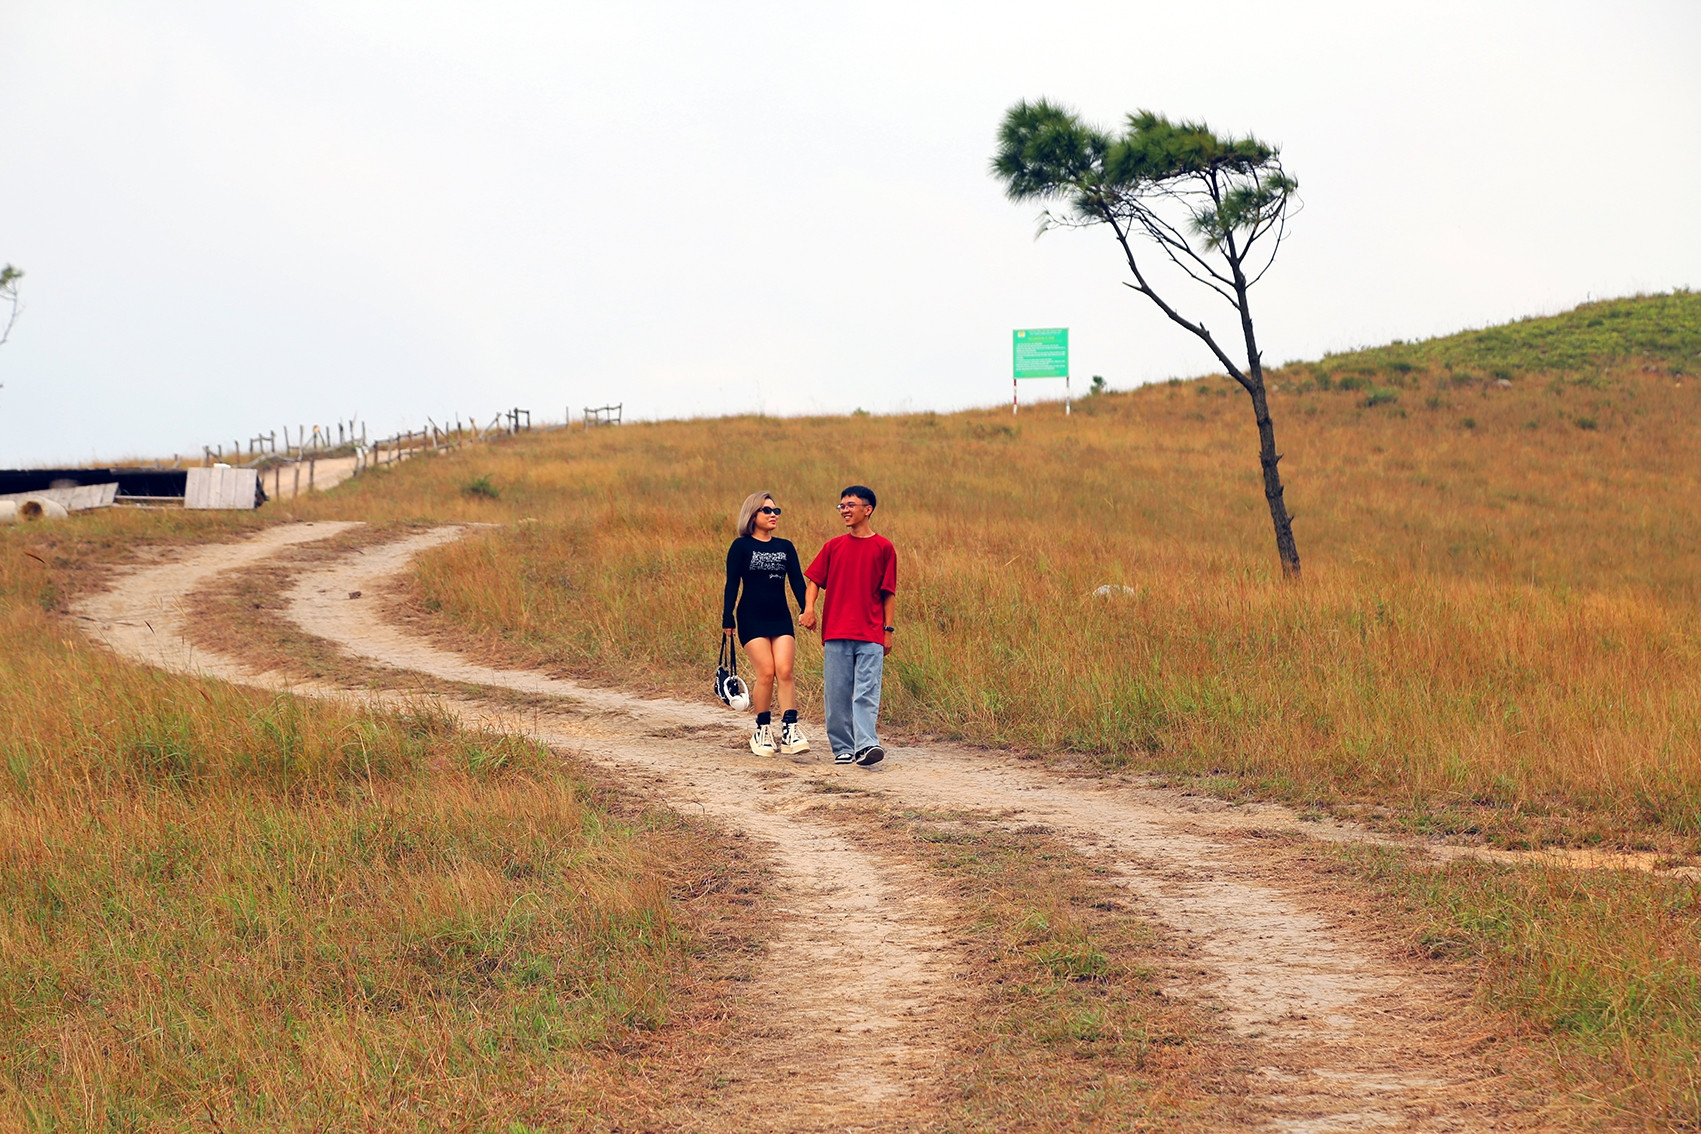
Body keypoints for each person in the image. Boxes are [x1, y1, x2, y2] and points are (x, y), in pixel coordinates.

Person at [800, 485, 896, 767]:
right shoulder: (833, 546)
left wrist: (888, 631)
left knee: (867, 692)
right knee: (837, 692)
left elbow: (888, 592)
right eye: (841, 505)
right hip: (837, 632)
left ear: (868, 510)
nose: (844, 509)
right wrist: (809, 609)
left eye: (850, 505)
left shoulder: (884, 548)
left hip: (871, 633)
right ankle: (843, 747)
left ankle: (867, 745)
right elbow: (814, 581)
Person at [723, 491, 810, 756]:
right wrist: (727, 618)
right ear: (752, 515)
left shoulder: (785, 546)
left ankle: (790, 730)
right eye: (767, 510)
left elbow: (796, 581)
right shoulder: (741, 546)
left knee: (785, 670)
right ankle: (761, 731)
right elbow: (732, 584)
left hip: (780, 616)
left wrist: (808, 609)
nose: (774, 515)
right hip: (751, 616)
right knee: (767, 672)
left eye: (776, 511)